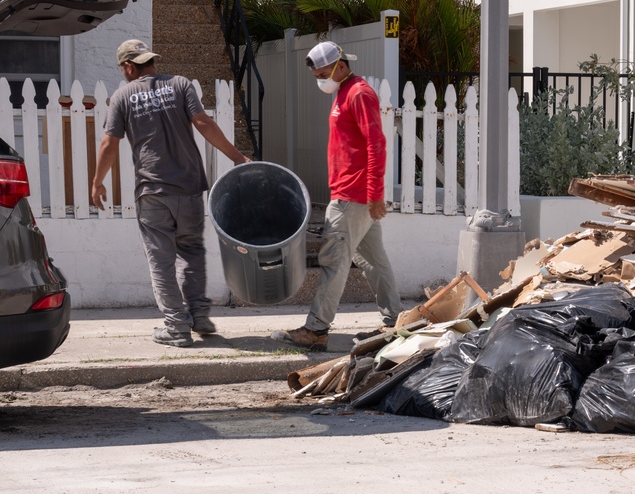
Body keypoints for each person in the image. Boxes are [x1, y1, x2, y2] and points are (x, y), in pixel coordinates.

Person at [91, 39, 251, 348]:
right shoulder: (180, 85)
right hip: (190, 188)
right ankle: (199, 315)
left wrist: (97, 181)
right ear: (149, 61)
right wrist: (237, 157)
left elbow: (109, 143)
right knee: (191, 251)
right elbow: (203, 122)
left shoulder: (123, 96)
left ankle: (177, 326)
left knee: (160, 260)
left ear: (127, 67)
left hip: (152, 191)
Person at [272, 41, 402, 350]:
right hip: (354, 194)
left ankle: (316, 330)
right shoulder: (344, 92)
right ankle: (395, 323)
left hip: (353, 195)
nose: (320, 80)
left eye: (323, 74)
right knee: (374, 262)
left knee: (334, 262)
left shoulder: (358, 93)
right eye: (317, 75)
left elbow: (376, 144)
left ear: (340, 66)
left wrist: (374, 194)